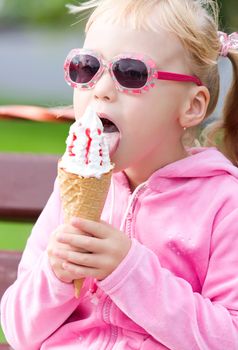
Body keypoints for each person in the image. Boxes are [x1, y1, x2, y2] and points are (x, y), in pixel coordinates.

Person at [1, 0, 238, 349]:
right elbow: (20, 333)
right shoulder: (69, 191)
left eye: (131, 73)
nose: (101, 89)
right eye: (87, 67)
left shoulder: (223, 203)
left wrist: (129, 271)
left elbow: (228, 338)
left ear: (192, 106)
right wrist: (56, 275)